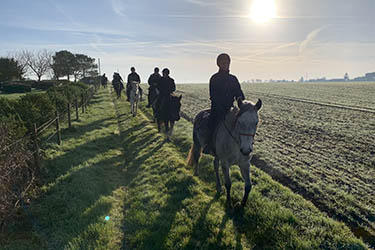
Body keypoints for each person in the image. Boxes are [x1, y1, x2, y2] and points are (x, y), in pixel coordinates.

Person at [203, 53, 245, 154]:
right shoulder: (214, 78)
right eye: (222, 62)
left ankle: (244, 145)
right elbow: (213, 96)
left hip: (230, 109)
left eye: (227, 62)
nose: (225, 64)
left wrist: (242, 103)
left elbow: (239, 93)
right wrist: (221, 108)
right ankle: (208, 145)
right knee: (211, 124)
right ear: (218, 64)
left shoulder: (233, 79)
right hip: (217, 109)